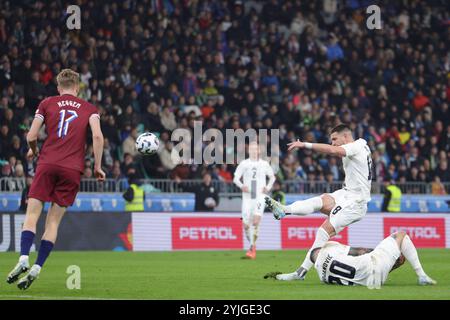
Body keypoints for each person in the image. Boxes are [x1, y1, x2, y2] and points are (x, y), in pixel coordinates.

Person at [6, 69, 105, 290]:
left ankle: (23, 258)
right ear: (77, 88)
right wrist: (97, 166)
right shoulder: (90, 109)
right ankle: (37, 267)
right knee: (52, 222)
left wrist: (34, 150)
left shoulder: (47, 103)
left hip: (48, 163)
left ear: (59, 88)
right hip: (72, 170)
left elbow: (31, 136)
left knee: (32, 214)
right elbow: (97, 136)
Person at [265, 124, 372, 280]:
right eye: (332, 140)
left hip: (356, 202)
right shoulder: (360, 146)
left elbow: (333, 150)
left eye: (335, 139)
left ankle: (300, 273)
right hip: (347, 194)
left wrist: (304, 144)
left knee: (323, 232)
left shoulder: (356, 146)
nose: (333, 143)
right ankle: (284, 210)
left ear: (346, 136)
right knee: (320, 201)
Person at [308, 231, 437, 288]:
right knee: (400, 235)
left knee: (367, 266)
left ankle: (387, 265)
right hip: (373, 264)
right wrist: (378, 252)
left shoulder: (322, 277)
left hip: (370, 281)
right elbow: (360, 252)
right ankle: (422, 276)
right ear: (319, 250)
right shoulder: (328, 248)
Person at [233, 142, 275, 259]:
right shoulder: (244, 164)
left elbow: (272, 177)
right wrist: (242, 186)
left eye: (255, 149)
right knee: (246, 225)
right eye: (251, 149)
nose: (253, 151)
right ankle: (252, 244)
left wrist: (267, 187)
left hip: (259, 197)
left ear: (259, 151)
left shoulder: (264, 164)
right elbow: (235, 178)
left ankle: (252, 248)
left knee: (256, 222)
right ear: (248, 151)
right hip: (247, 198)